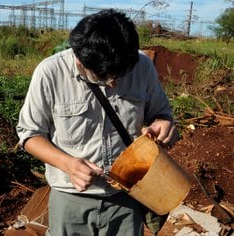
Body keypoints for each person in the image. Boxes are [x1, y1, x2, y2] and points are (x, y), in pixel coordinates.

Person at [16, 9, 178, 236]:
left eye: (118, 77)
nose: (112, 84)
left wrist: (164, 124)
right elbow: (29, 134)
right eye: (104, 77)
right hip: (70, 200)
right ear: (80, 60)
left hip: (128, 198)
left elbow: (162, 114)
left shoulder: (142, 66)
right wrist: (68, 165)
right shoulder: (50, 73)